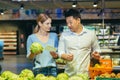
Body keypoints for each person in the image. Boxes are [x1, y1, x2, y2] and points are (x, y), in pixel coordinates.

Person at [57, 9, 101, 76]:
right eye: (67, 23)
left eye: (70, 22)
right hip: (69, 75)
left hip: (85, 75)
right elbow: (60, 52)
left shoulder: (91, 34)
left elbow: (97, 49)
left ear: (78, 20)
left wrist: (96, 54)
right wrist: (65, 56)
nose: (68, 25)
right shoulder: (64, 35)